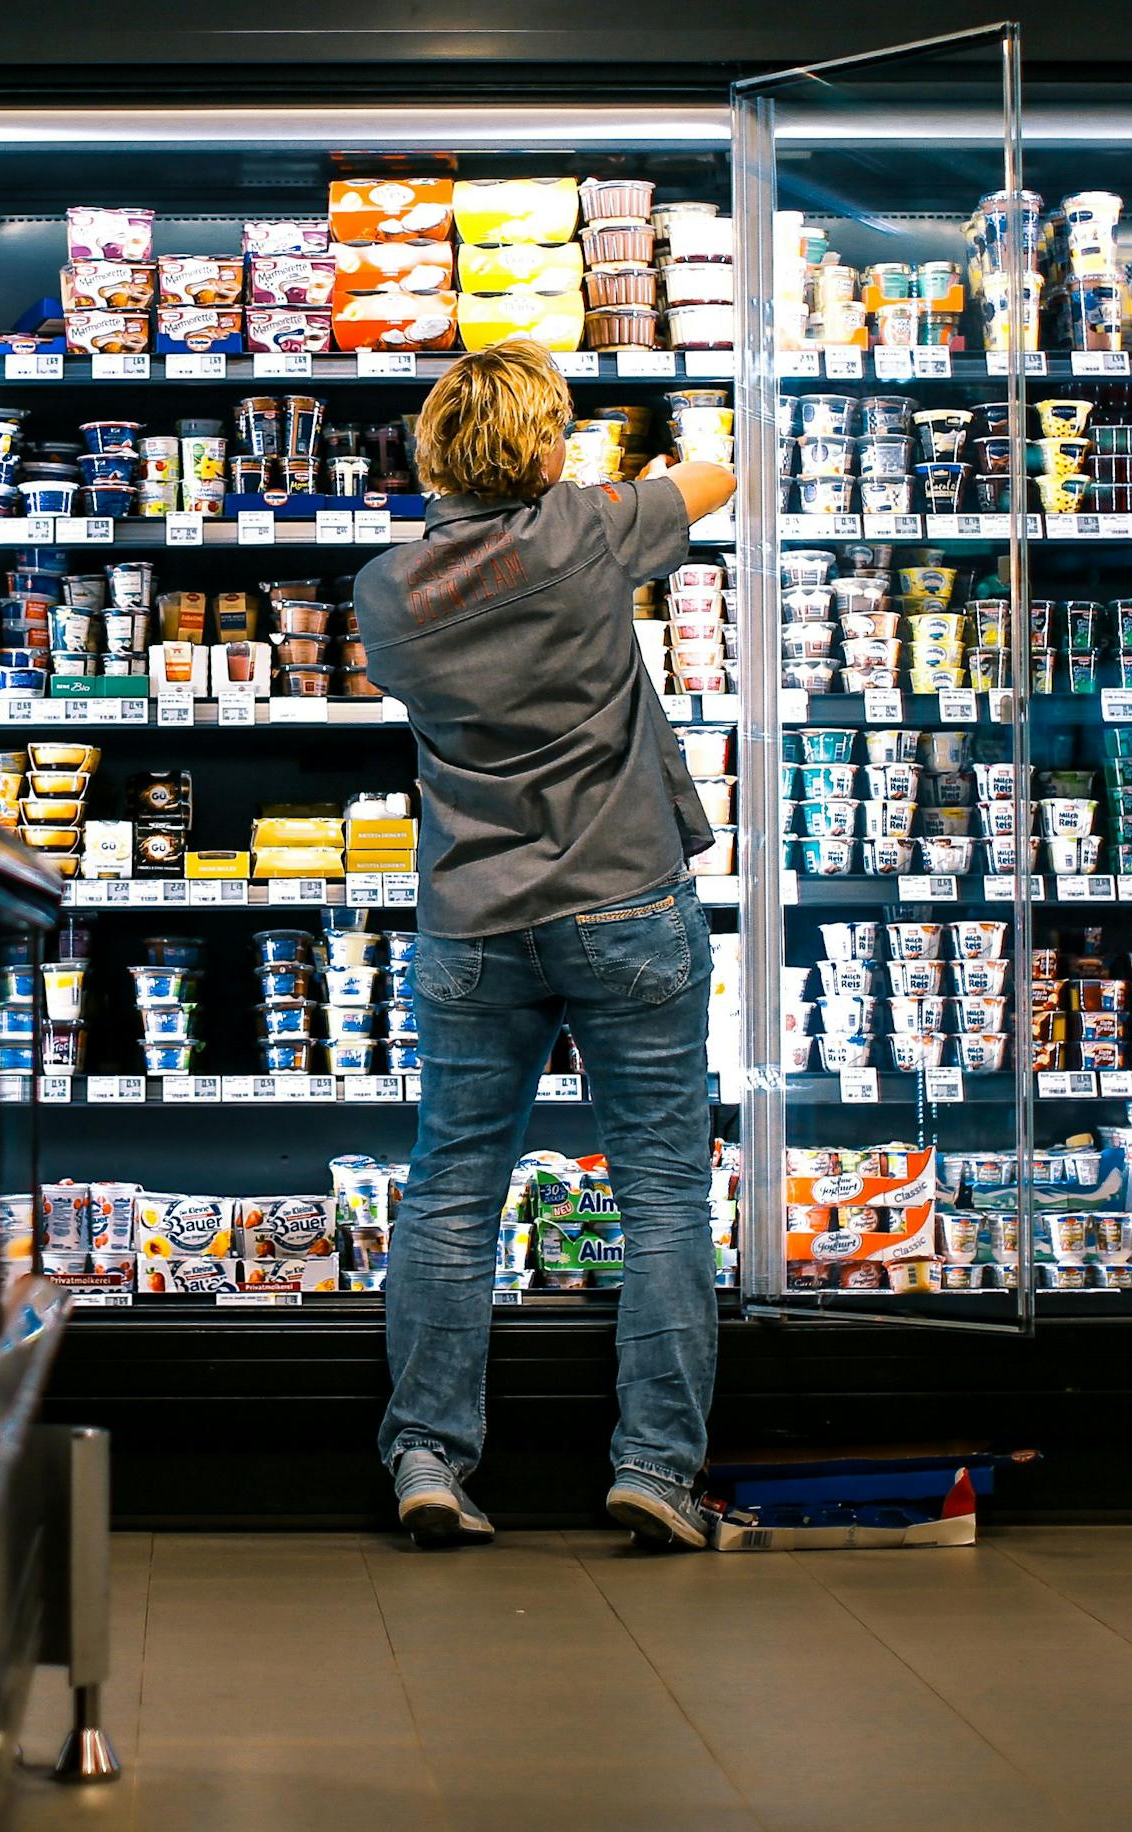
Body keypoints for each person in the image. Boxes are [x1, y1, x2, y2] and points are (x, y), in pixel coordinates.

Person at [354, 340, 735, 1551]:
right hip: (622, 901)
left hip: (472, 918)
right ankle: (655, 1469)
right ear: (546, 448)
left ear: (430, 452)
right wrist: (651, 465)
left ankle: (426, 1457)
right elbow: (716, 479)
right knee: (664, 1191)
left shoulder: (386, 591)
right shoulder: (584, 531)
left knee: (451, 1187)